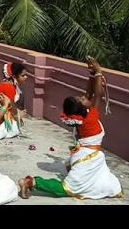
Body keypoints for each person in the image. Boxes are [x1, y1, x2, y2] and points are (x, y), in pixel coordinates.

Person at [18, 56, 123, 200]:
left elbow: (89, 94)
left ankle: (71, 167)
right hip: (88, 157)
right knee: (68, 188)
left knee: (101, 181)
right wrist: (98, 72)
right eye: (81, 99)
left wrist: (92, 75)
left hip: (85, 154)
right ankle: (30, 182)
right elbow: (97, 95)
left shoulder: (83, 115)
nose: (83, 97)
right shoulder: (89, 120)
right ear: (83, 107)